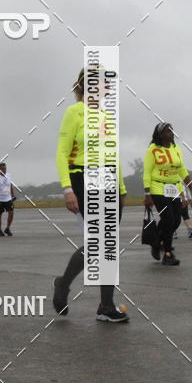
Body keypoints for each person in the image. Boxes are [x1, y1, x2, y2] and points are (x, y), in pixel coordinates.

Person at [53, 68, 128, 322]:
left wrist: (122, 189)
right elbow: (62, 152)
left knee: (108, 245)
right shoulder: (74, 112)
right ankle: (63, 284)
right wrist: (67, 188)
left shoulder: (106, 116)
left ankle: (106, 306)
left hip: (108, 182)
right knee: (97, 243)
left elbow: (112, 156)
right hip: (82, 178)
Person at [143, 123, 192, 265]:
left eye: (172, 131)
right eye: (167, 131)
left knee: (176, 220)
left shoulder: (176, 148)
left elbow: (182, 170)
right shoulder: (152, 149)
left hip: (174, 189)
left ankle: (156, 242)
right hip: (158, 188)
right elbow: (146, 172)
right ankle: (167, 252)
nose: (171, 134)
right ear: (160, 134)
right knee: (168, 218)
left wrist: (189, 189)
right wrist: (147, 194)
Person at [0, 163, 15, 236]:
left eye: (5, 168)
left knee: (11, 213)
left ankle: (7, 228)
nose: (4, 170)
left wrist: (12, 196)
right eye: (3, 169)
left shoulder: (9, 175)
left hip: (8, 199)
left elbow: (11, 186)